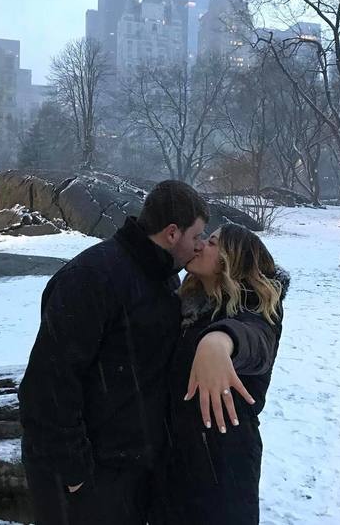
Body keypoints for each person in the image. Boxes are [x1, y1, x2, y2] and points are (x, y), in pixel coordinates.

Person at [18, 180, 211, 525]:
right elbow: (48, 385)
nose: (200, 246)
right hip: (88, 480)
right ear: (172, 233)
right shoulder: (90, 278)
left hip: (131, 472)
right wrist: (75, 475)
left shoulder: (164, 278)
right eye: (196, 236)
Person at [166, 223, 290, 525]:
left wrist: (219, 340)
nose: (200, 246)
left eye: (211, 242)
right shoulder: (186, 305)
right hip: (172, 461)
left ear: (232, 259)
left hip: (223, 466)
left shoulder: (257, 309)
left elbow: (257, 342)